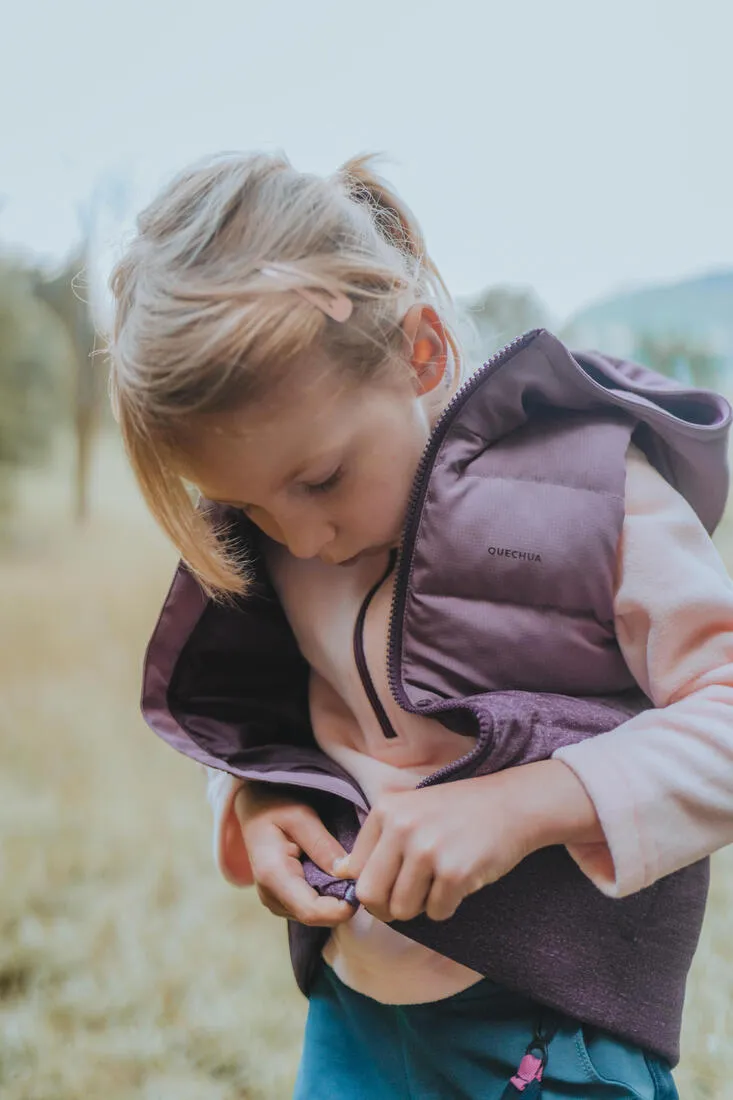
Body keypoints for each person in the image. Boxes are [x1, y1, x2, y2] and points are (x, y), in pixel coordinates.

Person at [108, 150, 733, 1099]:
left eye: (320, 481)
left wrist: (524, 804)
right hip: (353, 1020)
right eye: (250, 508)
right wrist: (250, 804)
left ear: (422, 352)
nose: (301, 538)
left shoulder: (593, 496)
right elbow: (261, 711)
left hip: (553, 1039)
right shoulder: (274, 540)